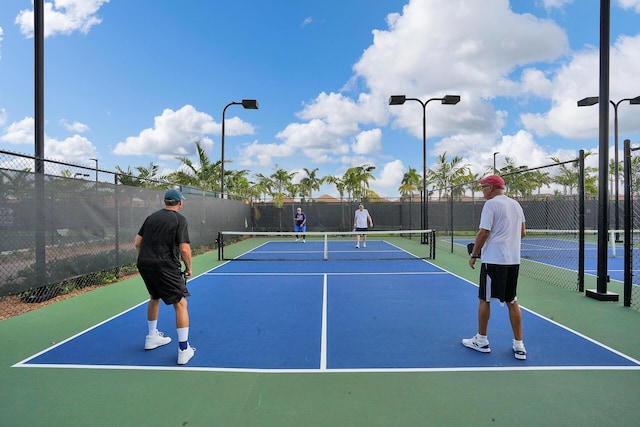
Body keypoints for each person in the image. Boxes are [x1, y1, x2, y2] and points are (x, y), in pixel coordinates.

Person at [463, 175, 527, 360]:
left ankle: (481, 341)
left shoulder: (491, 205)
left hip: (494, 262)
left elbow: (483, 232)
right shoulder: (516, 205)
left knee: (485, 299)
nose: (481, 190)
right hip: (513, 261)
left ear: (490, 188)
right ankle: (519, 345)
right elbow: (522, 232)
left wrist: (474, 255)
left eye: (483, 187)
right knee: (512, 300)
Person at [135, 188, 196, 365]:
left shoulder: (151, 217)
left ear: (164, 202)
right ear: (180, 203)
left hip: (144, 263)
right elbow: (184, 249)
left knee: (155, 297)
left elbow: (137, 243)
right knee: (181, 303)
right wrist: (189, 267)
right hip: (166, 266)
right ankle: (184, 349)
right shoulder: (180, 219)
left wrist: (149, 257)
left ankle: (151, 337)